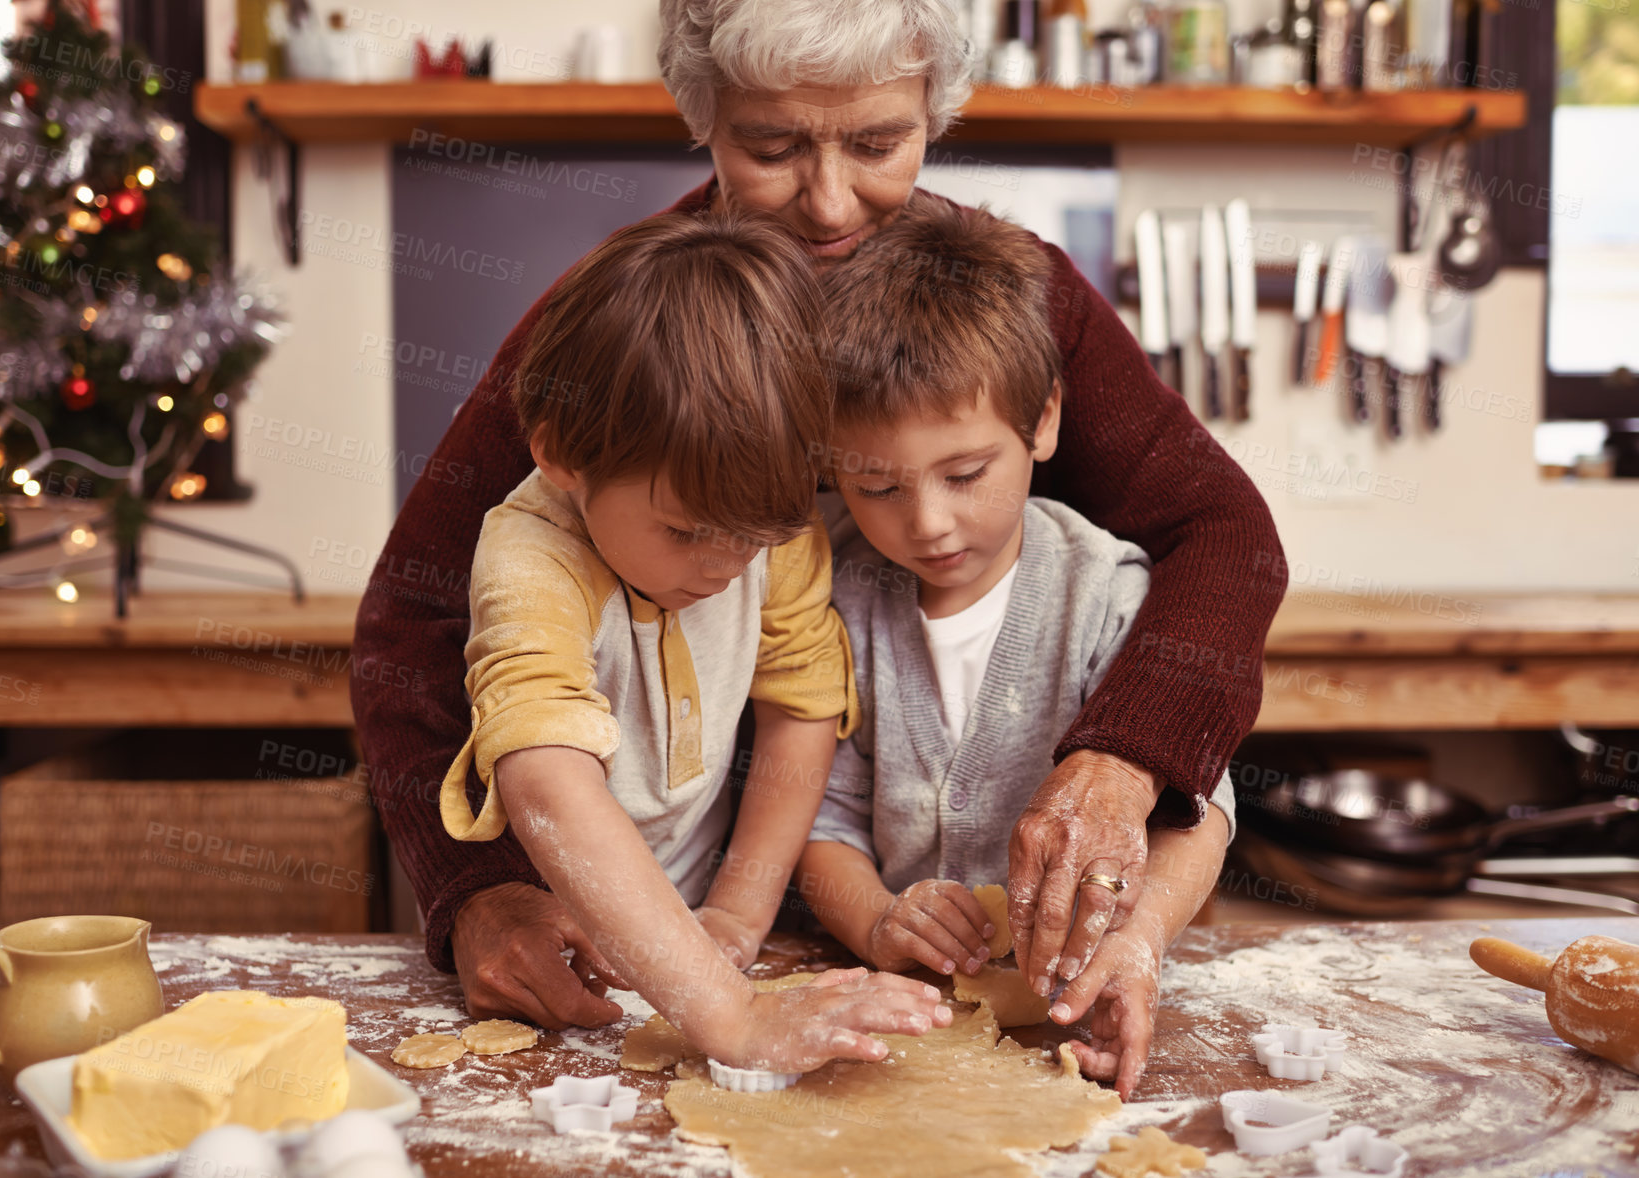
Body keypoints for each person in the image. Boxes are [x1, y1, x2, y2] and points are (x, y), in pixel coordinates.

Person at [350, 0, 1286, 1029]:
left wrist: (1120, 760)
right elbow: (412, 618)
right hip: (655, 932)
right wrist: (476, 888)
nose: (831, 203)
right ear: (704, 119)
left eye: (878, 143)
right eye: (772, 146)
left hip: (896, 925)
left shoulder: (1010, 302)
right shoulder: (626, 324)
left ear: (935, 110)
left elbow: (1223, 535)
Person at [434, 210, 949, 1071]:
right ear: (564, 456)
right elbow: (547, 783)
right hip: (557, 947)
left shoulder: (765, 527)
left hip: (698, 937)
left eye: (747, 538)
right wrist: (735, 1020)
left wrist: (739, 917)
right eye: (683, 532)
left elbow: (800, 709)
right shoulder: (531, 560)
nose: (723, 566)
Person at [797, 198, 1236, 1099]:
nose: (926, 523)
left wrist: (1136, 939)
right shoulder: (831, 599)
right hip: (897, 1026)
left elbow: (1201, 811)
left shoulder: (1103, 591)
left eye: (965, 475)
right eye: (876, 486)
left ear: (1041, 422)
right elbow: (814, 819)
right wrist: (880, 921)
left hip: (1073, 1008)